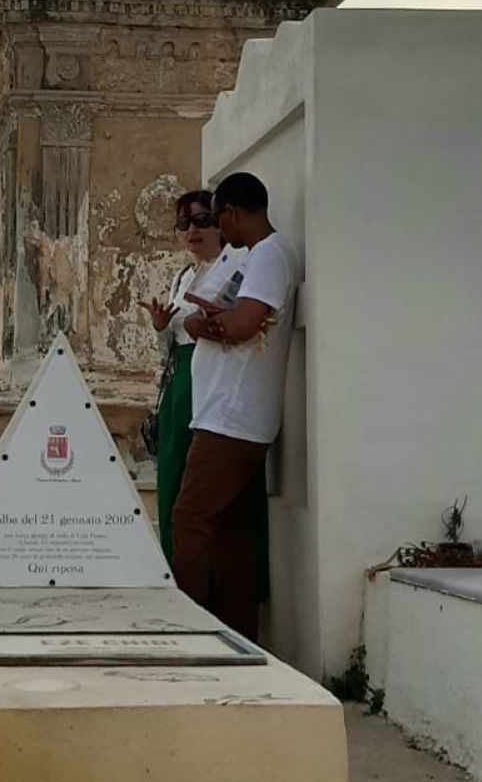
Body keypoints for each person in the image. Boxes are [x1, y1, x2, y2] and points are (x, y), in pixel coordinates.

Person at [172, 171, 297, 642]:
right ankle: (235, 632)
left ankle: (189, 628)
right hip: (237, 415)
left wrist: (203, 326)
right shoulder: (268, 255)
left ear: (230, 214)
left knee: (191, 518)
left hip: (231, 417)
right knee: (231, 534)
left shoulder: (267, 255)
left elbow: (244, 324)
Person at [142, 190, 225, 560]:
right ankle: (172, 560)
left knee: (198, 477)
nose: (192, 229)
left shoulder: (230, 266)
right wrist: (161, 326)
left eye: (201, 220)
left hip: (207, 376)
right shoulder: (184, 275)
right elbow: (171, 342)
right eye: (183, 222)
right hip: (178, 378)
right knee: (171, 471)